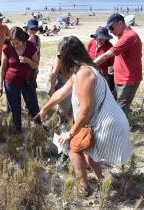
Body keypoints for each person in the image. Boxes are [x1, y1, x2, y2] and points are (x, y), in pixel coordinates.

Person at [36, 36, 132, 195]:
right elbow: (61, 93)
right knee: (87, 147)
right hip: (107, 120)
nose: (59, 60)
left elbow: (85, 110)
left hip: (107, 123)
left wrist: (70, 133)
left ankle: (84, 187)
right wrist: (44, 109)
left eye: (60, 57)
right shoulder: (82, 70)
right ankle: (100, 181)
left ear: (67, 56)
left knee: (74, 147)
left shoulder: (84, 73)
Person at [94, 13, 142, 117]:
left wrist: (88, 66)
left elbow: (106, 56)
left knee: (121, 109)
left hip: (128, 80)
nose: (110, 31)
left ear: (120, 23)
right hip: (120, 78)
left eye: (111, 28)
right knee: (116, 106)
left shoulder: (129, 36)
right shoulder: (123, 35)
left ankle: (123, 131)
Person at [0, 26, 41, 133]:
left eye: (17, 42)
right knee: (15, 108)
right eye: (12, 42)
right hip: (11, 82)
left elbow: (36, 64)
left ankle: (40, 125)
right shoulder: (7, 47)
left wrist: (28, 61)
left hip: (27, 81)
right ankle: (18, 129)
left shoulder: (30, 46)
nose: (14, 44)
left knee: (33, 105)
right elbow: (2, 68)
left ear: (23, 39)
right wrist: (0, 85)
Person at [87, 26, 114, 91]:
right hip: (89, 73)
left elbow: (111, 63)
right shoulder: (91, 42)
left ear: (106, 38)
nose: (98, 40)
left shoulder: (109, 47)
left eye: (101, 39)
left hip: (102, 75)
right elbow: (87, 55)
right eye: (97, 38)